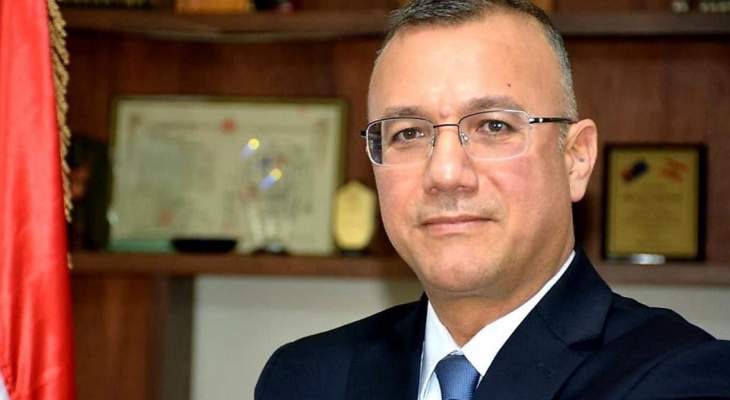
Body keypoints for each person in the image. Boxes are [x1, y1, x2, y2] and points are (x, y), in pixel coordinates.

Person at [255, 1, 730, 399]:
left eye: (493, 126)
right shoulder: (304, 379)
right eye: (408, 133)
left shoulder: (683, 379)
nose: (445, 174)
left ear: (575, 160)